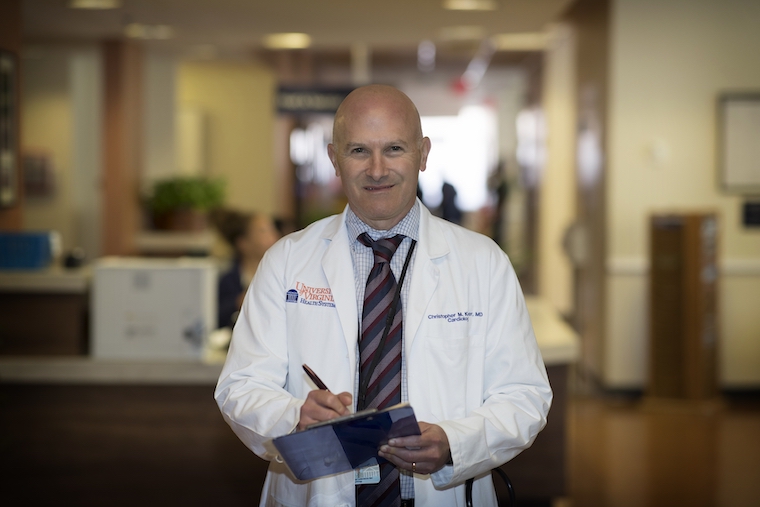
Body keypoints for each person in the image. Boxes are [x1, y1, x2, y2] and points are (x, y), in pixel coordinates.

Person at [215, 84, 552, 507]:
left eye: (394, 148)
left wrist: (453, 442)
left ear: (423, 153)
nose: (377, 169)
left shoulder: (483, 263)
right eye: (358, 151)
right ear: (334, 158)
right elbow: (241, 386)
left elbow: (524, 394)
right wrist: (294, 416)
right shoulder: (287, 260)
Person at [213, 209, 280, 328]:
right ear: (243, 243)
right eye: (263, 231)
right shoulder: (228, 280)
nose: (274, 236)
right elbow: (214, 316)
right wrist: (237, 302)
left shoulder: (282, 275)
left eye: (272, 229)